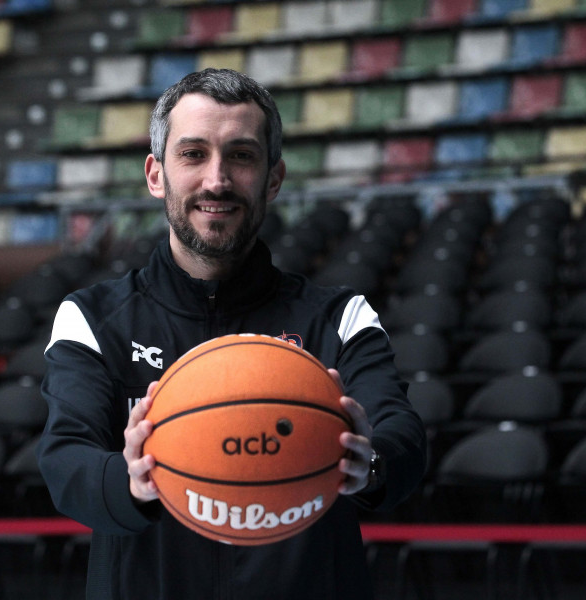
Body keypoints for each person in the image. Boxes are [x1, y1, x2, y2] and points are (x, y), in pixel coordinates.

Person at [37, 68, 427, 600]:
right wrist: (130, 481)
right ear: (156, 174)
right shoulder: (92, 318)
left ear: (273, 178)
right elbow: (66, 458)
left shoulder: (340, 317)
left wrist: (371, 463)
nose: (216, 181)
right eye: (193, 154)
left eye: (241, 155)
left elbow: (400, 433)